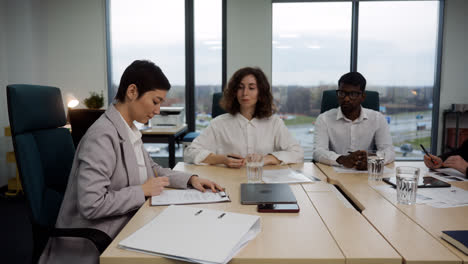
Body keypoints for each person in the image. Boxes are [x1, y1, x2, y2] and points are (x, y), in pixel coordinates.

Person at [39, 60, 222, 264]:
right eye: (155, 101)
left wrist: (190, 179)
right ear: (132, 91)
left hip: (128, 222)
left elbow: (152, 170)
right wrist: (142, 190)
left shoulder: (129, 130)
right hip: (97, 240)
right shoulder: (102, 136)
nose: (158, 110)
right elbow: (92, 204)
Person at [184, 67, 303, 167]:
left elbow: (297, 153)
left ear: (260, 93)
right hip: (226, 182)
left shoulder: (274, 123)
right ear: (234, 92)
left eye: (251, 88)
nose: (245, 93)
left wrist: (266, 159)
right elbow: (190, 153)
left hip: (264, 184)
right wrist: (222, 160)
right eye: (240, 88)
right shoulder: (219, 123)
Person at [313, 72, 395, 170]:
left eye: (353, 94)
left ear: (363, 96)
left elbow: (389, 150)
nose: (346, 99)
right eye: (342, 93)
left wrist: (372, 159)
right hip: (334, 175)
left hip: (366, 175)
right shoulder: (324, 119)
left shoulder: (378, 118)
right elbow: (318, 151)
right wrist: (342, 159)